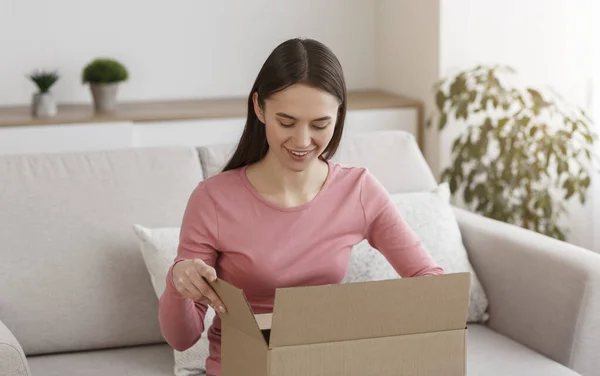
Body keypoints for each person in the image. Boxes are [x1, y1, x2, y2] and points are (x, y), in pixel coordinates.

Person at [158, 37, 444, 376]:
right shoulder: (213, 200)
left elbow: (431, 283)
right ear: (259, 108)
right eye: (287, 122)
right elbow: (182, 338)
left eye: (320, 124)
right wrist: (178, 279)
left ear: (339, 115)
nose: (303, 141)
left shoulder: (359, 190)